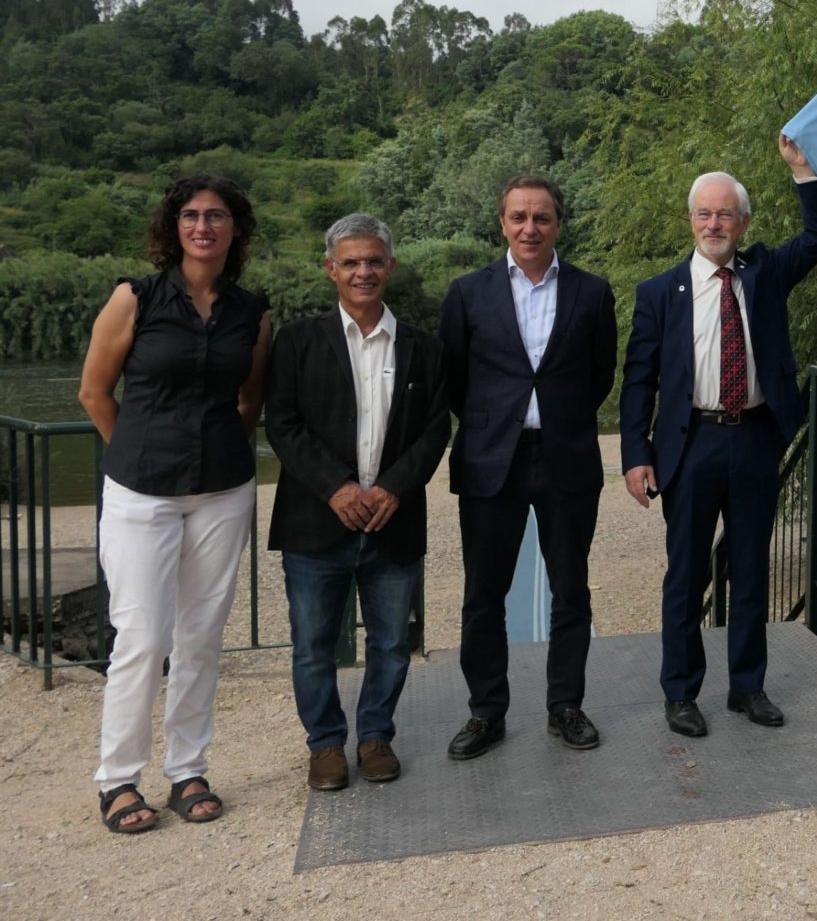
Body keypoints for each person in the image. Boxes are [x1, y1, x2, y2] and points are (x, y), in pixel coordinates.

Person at [621, 135, 817, 738]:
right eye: (704, 212)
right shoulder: (660, 293)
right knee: (686, 575)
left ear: (743, 222)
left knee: (750, 569)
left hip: (754, 439)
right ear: (691, 220)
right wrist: (636, 456)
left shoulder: (766, 274)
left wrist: (802, 169)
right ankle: (681, 693)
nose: (714, 222)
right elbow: (638, 380)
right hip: (690, 445)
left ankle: (747, 687)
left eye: (725, 213)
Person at [76, 172, 272, 832]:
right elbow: (95, 393)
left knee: (201, 635)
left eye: (217, 216)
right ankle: (119, 780)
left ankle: (188, 768)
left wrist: (212, 452)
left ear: (235, 230)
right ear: (175, 225)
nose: (203, 226)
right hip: (140, 490)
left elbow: (249, 400)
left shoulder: (253, 311)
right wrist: (136, 452)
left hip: (222, 489)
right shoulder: (134, 298)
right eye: (191, 215)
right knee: (141, 636)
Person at [264, 214, 451, 790]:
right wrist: (337, 488)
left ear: (390, 267)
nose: (363, 271)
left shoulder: (424, 347)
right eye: (351, 262)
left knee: (392, 642)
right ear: (331, 270)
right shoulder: (296, 342)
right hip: (316, 522)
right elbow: (284, 424)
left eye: (374, 261)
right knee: (314, 646)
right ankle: (324, 745)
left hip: (394, 518)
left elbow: (435, 428)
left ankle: (374, 737)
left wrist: (394, 485)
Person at [439, 174, 618, 760]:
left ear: (558, 223)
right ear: (502, 223)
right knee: (483, 593)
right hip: (493, 460)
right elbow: (455, 381)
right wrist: (503, 422)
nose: (530, 228)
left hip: (566, 456)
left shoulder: (592, 293)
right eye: (519, 217)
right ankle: (486, 712)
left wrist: (556, 417)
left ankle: (565, 705)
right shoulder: (468, 292)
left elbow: (598, 377)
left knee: (571, 588)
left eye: (541, 217)